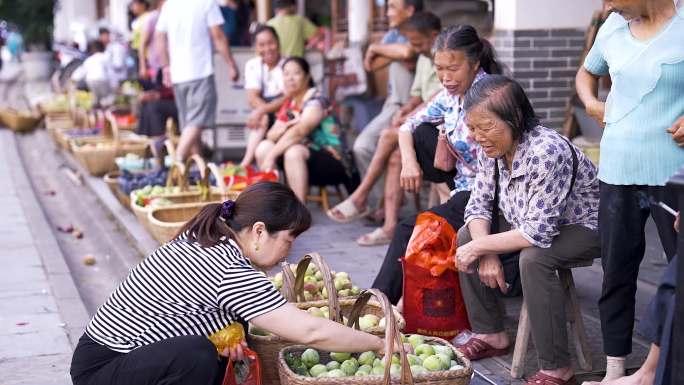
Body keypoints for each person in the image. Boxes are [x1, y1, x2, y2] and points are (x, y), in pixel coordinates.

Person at [70, 182, 395, 385]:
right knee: (195, 356)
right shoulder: (226, 267)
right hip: (104, 369)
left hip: (127, 358)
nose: (290, 249)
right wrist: (380, 343)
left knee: (209, 350)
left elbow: (196, 309)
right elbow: (311, 331)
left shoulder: (210, 238)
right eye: (289, 238)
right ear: (258, 231)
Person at [453, 75, 600, 385]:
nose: (478, 136)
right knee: (467, 235)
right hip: (528, 220)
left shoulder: (547, 151)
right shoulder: (491, 145)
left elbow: (538, 233)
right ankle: (490, 333)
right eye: (473, 128)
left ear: (515, 118)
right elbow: (477, 206)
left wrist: (484, 247)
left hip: (583, 226)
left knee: (534, 258)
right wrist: (486, 249)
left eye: (487, 126)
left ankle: (557, 366)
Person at [575, 0, 684, 380]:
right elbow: (586, 74)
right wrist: (591, 103)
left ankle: (669, 366)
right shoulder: (611, 29)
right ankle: (615, 369)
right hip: (618, 168)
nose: (605, 5)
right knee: (616, 271)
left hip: (672, 172)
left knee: (679, 271)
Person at [372, 24, 501, 303]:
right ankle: (381, 304)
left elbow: (493, 176)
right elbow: (408, 125)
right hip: (464, 182)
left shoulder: (488, 97)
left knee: (411, 228)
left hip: (489, 194)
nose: (445, 77)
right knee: (420, 133)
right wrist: (409, 163)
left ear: (474, 63)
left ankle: (375, 305)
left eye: (452, 69)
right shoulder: (452, 94)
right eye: (439, 69)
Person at [327, 11, 442, 247]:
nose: (415, 48)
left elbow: (439, 98)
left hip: (439, 125)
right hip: (421, 121)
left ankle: (360, 196)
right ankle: (389, 225)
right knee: (395, 155)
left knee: (391, 135)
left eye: (418, 43)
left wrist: (410, 113)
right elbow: (417, 94)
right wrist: (406, 109)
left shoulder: (445, 57)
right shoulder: (422, 58)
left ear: (434, 36)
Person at [351, 0, 422, 227]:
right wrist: (387, 52)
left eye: (392, 6)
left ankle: (384, 206)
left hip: (413, 105)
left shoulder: (419, 30)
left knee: (371, 147)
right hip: (392, 105)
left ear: (409, 10)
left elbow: (410, 52)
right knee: (362, 147)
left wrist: (379, 49)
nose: (387, 12)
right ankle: (382, 203)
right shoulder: (392, 35)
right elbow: (373, 65)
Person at [254, 57, 348, 203]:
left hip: (333, 161)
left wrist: (271, 156)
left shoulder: (317, 100)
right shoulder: (290, 102)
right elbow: (271, 135)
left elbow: (300, 131)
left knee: (293, 151)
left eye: (296, 73)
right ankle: (273, 205)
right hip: (303, 161)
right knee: (263, 147)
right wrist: (284, 128)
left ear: (307, 76)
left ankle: (299, 212)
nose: (290, 78)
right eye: (286, 74)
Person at [156, 0, 240, 161]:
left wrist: (166, 67)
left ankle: (197, 169)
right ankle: (176, 159)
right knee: (197, 122)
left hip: (178, 75)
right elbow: (218, 35)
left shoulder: (170, 5)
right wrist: (231, 64)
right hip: (200, 71)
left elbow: (160, 37)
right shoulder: (207, 2)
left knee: (190, 124)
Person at [240, 25, 286, 167]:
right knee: (263, 116)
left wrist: (261, 110)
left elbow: (289, 97)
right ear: (256, 47)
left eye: (271, 43)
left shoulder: (288, 64)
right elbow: (252, 97)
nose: (267, 49)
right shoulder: (252, 65)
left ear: (278, 42)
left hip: (285, 113)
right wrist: (263, 111)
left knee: (262, 114)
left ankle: (245, 163)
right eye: (261, 45)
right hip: (265, 117)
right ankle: (246, 162)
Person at [71, 41, 112, 107]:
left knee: (96, 98)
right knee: (105, 99)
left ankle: (96, 113)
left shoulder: (89, 60)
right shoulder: (105, 57)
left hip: (91, 80)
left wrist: (74, 78)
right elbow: (110, 71)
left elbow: (82, 71)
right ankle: (104, 113)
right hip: (103, 79)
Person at [138, 0, 165, 84]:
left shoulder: (169, 15)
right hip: (157, 66)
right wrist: (143, 66)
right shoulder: (153, 18)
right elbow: (142, 44)